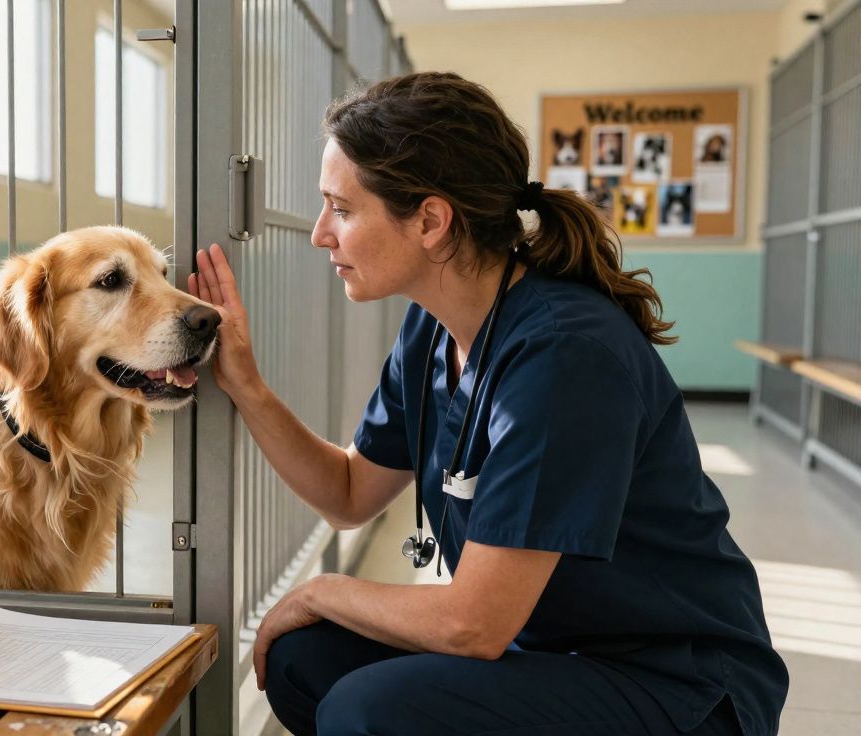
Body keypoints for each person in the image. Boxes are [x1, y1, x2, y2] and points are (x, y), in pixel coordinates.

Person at [187, 72, 788, 735]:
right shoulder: (431, 328)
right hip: (546, 652)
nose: (320, 233)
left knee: (367, 709)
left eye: (342, 209)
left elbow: (473, 624)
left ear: (431, 221)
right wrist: (246, 385)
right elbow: (349, 493)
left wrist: (323, 590)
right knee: (306, 659)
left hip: (674, 684)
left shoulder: (564, 355)